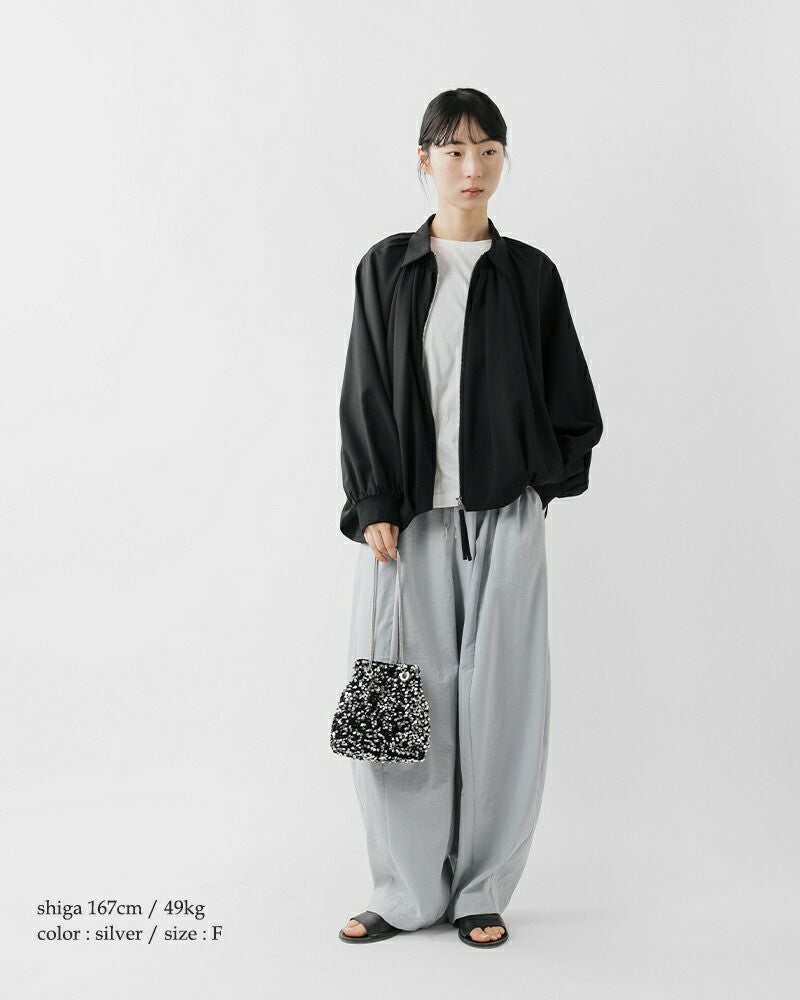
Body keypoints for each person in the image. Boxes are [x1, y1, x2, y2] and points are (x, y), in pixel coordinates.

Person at [337, 88, 603, 948]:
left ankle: (483, 888)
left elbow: (570, 397)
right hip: (407, 522)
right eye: (453, 151)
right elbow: (364, 390)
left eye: (488, 150)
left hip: (505, 517)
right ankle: (404, 889)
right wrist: (373, 501)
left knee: (502, 707)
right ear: (423, 160)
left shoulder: (531, 275)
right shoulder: (386, 268)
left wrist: (543, 487)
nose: (471, 167)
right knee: (398, 700)